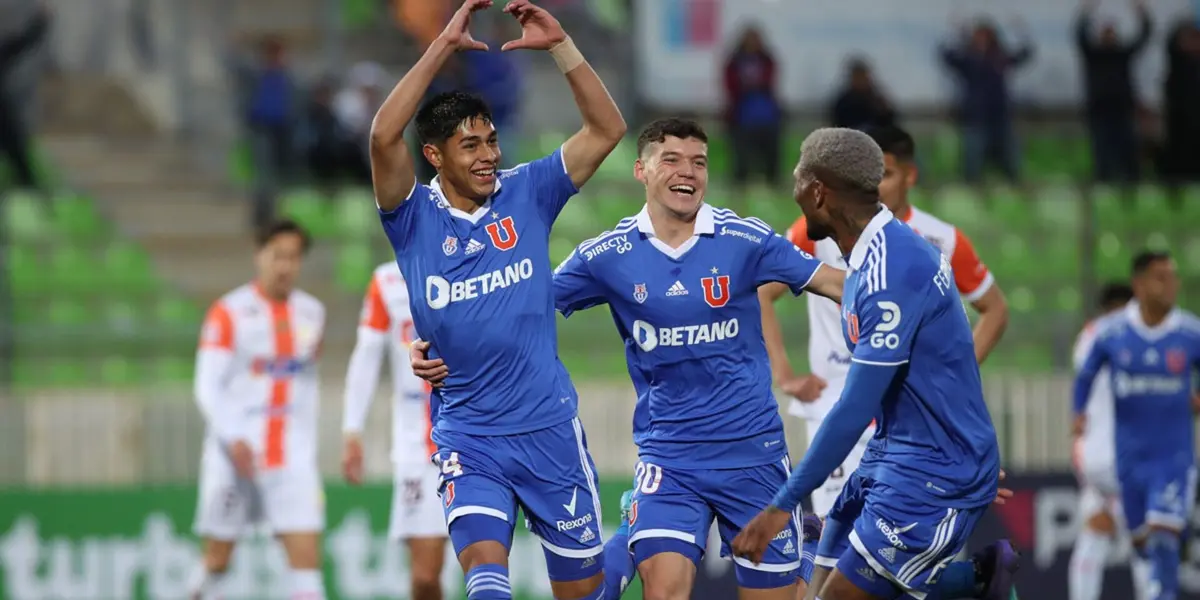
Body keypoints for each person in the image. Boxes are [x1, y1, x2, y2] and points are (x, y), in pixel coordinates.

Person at [410, 117, 844, 600]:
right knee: (662, 592)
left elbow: (832, 282)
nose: (689, 172)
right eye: (672, 160)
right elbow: (516, 304)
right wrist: (435, 342)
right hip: (669, 456)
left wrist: (903, 307)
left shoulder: (745, 240)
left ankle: (804, 550)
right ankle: (637, 526)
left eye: (698, 162)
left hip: (751, 453)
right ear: (641, 170)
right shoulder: (607, 255)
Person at [367, 0, 627, 599]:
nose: (487, 155)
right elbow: (383, 134)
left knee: (585, 591)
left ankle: (633, 536)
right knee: (486, 578)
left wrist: (563, 46)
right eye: (469, 146)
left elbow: (607, 131)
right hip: (469, 435)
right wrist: (441, 48)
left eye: (490, 141)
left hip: (549, 430)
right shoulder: (411, 219)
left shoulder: (529, 191)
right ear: (434, 156)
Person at [732, 128, 1016, 600]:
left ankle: (973, 585)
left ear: (818, 190)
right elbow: (947, 362)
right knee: (819, 593)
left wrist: (780, 507)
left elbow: (853, 408)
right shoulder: (867, 255)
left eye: (798, 177)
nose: (793, 188)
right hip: (893, 453)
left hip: (927, 471)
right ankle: (972, 583)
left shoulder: (893, 267)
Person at [189, 220, 326, 600]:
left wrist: (308, 448)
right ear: (259, 255)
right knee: (217, 560)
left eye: (293, 258)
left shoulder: (312, 314)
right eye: (277, 256)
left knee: (307, 564)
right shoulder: (228, 313)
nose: (285, 266)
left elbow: (307, 387)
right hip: (235, 456)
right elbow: (207, 384)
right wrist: (232, 437)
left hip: (291, 458)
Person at [1073, 251, 1200, 600]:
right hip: (1120, 457)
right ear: (1137, 289)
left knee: (1156, 537)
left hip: (1166, 458)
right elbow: (1083, 379)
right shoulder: (1106, 335)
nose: (1171, 285)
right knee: (1141, 542)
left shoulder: (1188, 332)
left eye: (1172, 277)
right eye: (1160, 277)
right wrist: (1078, 413)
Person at [342, 262, 447, 600]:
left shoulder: (471, 261)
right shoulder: (386, 281)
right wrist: (351, 429)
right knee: (425, 576)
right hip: (417, 449)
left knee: (484, 564)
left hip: (474, 436)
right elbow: (367, 355)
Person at [1068, 282, 1150, 600]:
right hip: (1128, 453)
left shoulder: (1087, 336)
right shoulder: (1133, 333)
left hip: (1091, 454)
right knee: (1143, 538)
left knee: (1095, 531)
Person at [939, 19, 1034, 183]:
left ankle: (1013, 187)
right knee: (972, 162)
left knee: (1009, 160)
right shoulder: (967, 59)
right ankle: (971, 187)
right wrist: (953, 34)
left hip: (1000, 116)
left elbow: (1024, 54)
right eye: (978, 37)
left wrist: (1021, 32)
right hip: (975, 117)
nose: (981, 40)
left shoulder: (999, 58)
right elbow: (946, 55)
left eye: (985, 37)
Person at [1075, 0, 1152, 183]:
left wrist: (1142, 14)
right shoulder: (1093, 55)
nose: (1109, 36)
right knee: (1103, 155)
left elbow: (1144, 37)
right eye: (1106, 32)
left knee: (1129, 154)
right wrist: (1086, 12)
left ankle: (1132, 186)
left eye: (1111, 32)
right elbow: (1079, 36)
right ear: (1101, 36)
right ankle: (1104, 186)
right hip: (1100, 112)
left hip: (1123, 111)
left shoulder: (1123, 54)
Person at [723, 25, 783, 189]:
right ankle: (740, 181)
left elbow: (770, 82)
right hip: (742, 114)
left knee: (771, 153)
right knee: (741, 154)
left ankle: (773, 180)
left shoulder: (766, 60)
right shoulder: (735, 61)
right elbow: (730, 84)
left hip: (765, 114)